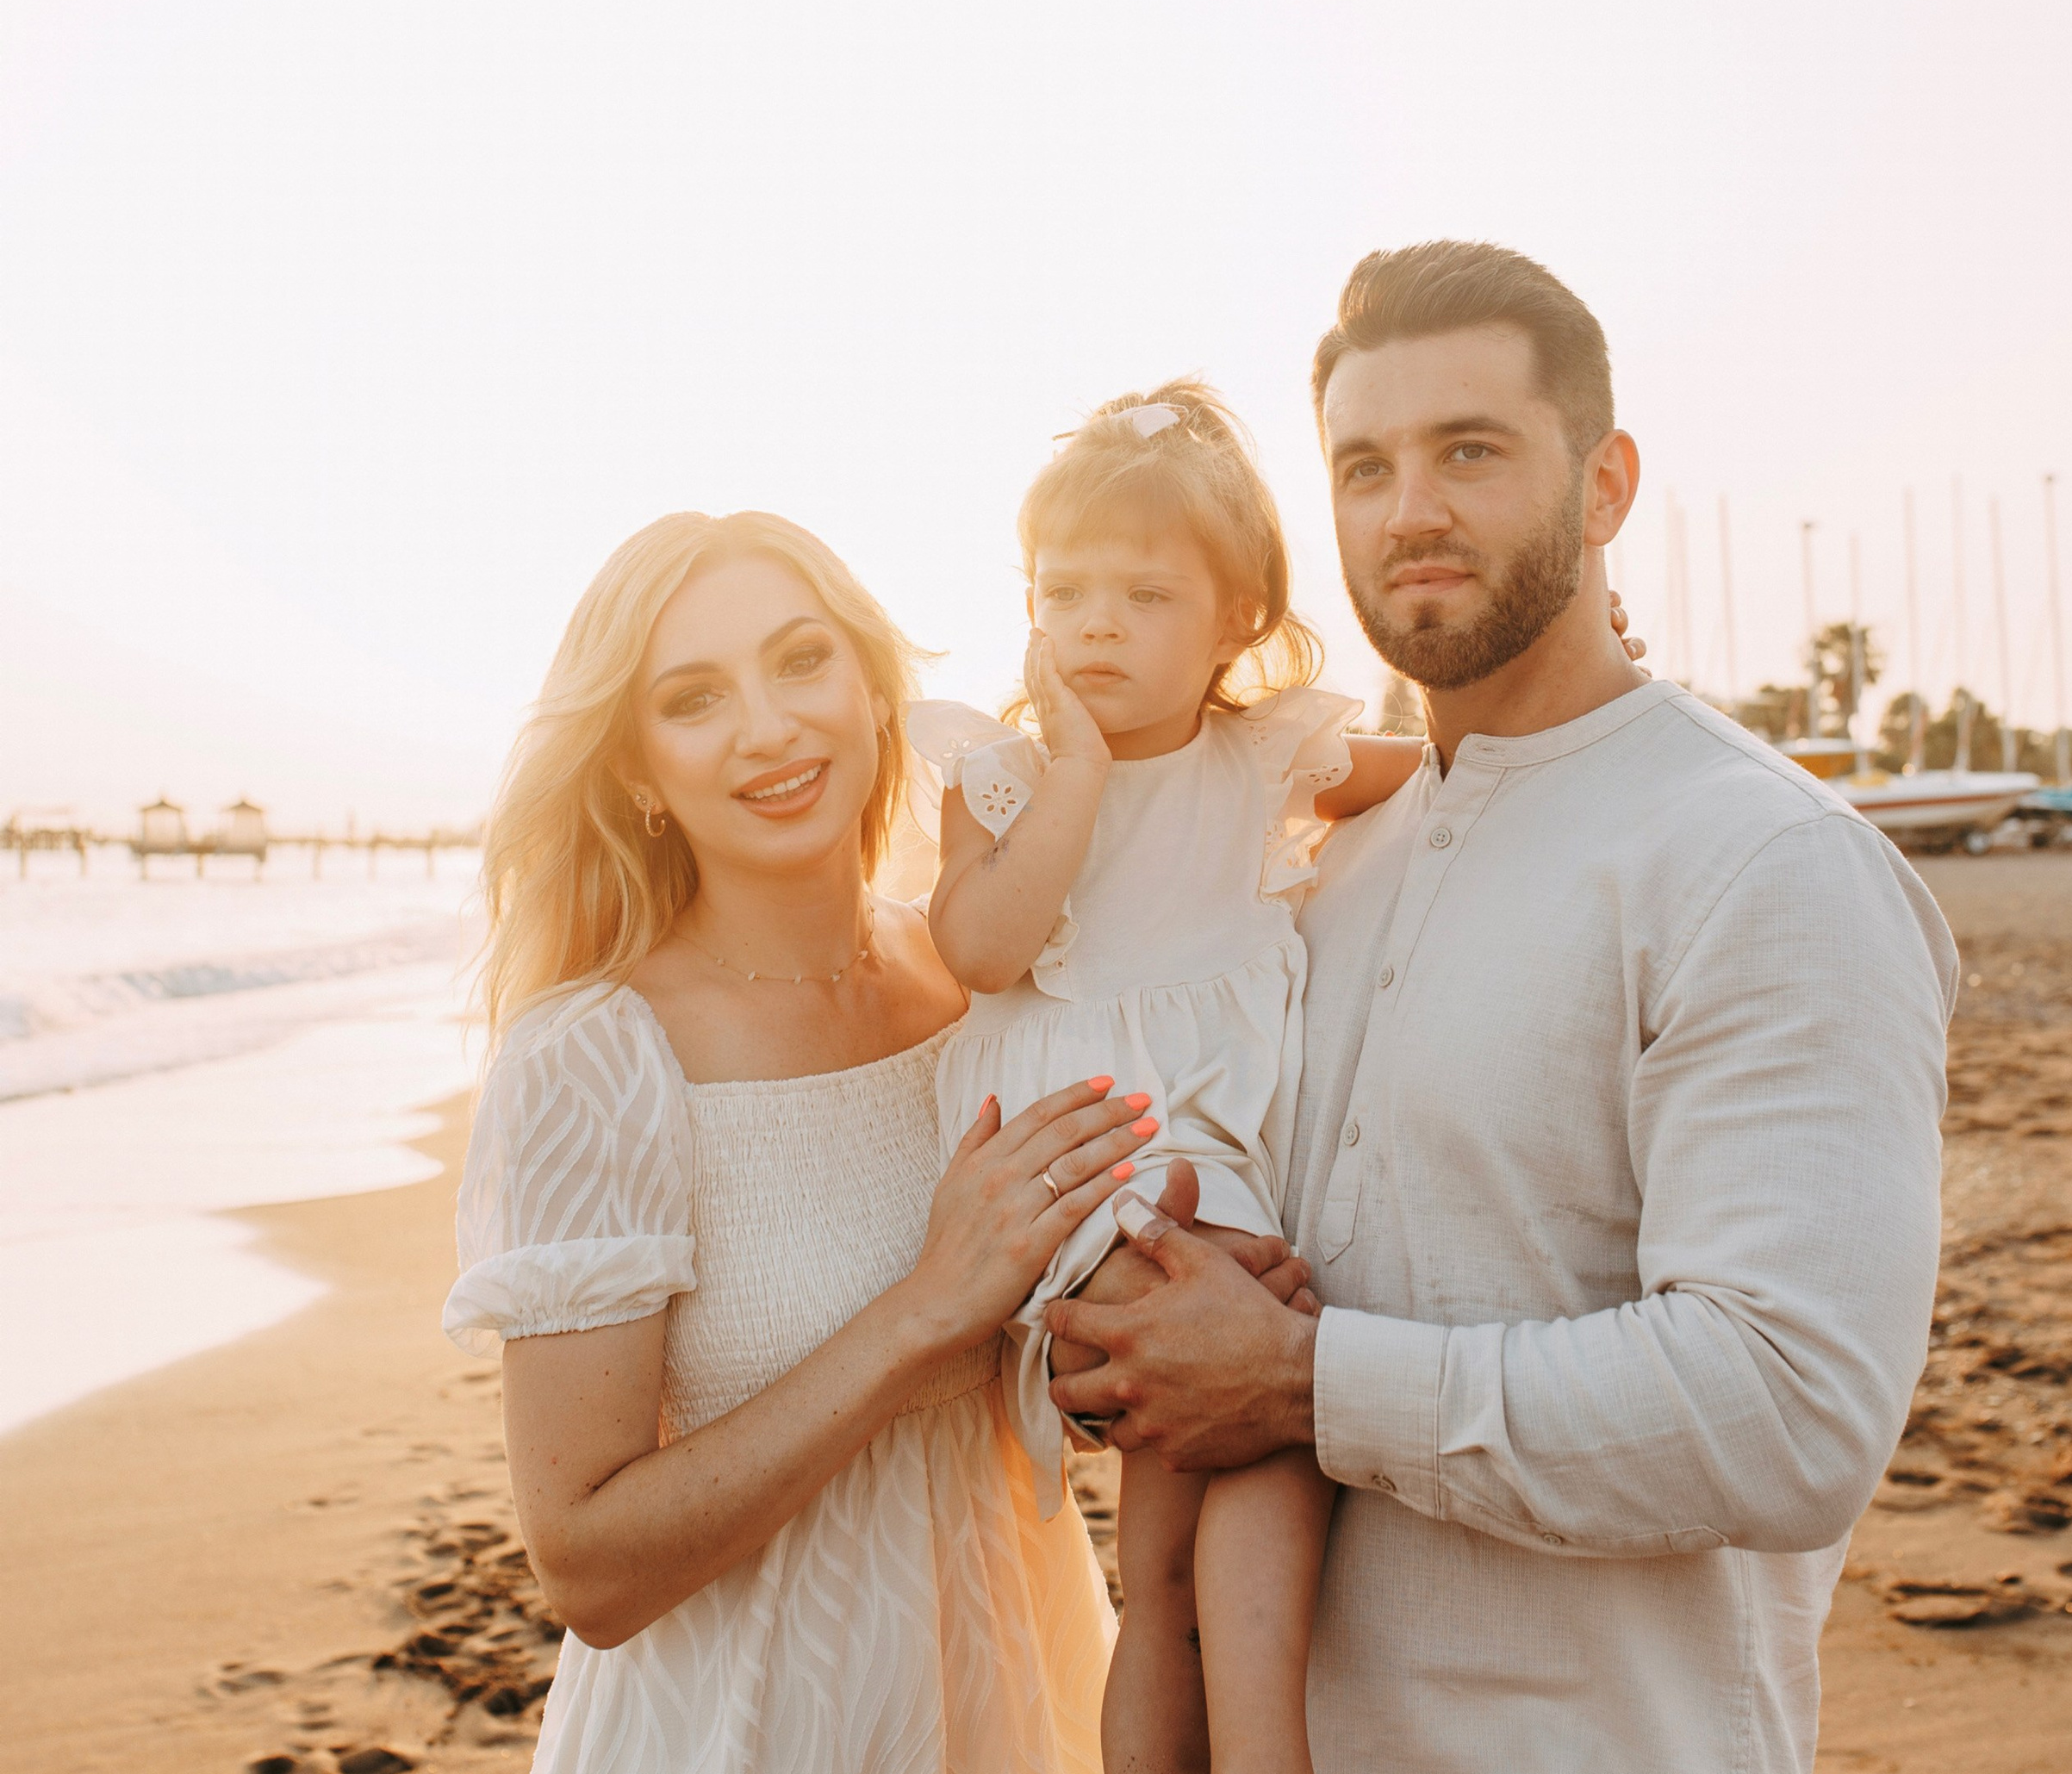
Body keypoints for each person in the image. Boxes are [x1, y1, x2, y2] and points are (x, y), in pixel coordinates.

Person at [1046, 242, 1957, 1773]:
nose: (1409, 510)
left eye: (1469, 451)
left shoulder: (1766, 864)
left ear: (1605, 486)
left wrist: (1300, 1384)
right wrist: (1123, 1347)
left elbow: (1791, 1411)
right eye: (1365, 467)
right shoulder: (1315, 874)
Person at [440, 507, 1303, 1773]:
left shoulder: (979, 981)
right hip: (753, 1728)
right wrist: (923, 1315)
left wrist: (1149, 1332)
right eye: (694, 698)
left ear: (871, 688)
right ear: (636, 772)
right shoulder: (597, 1056)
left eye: (801, 661)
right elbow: (586, 1567)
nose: (768, 727)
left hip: (1014, 1685)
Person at [909, 383, 1424, 1774]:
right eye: (1066, 591)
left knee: (1174, 1573)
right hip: (1069, 1174)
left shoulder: (1265, 759)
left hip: (1214, 1183)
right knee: (1265, 1425)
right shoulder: (1002, 778)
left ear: (1236, 618)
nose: (1096, 625)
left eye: (1145, 596)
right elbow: (980, 948)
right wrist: (1076, 771)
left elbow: (1453, 768)